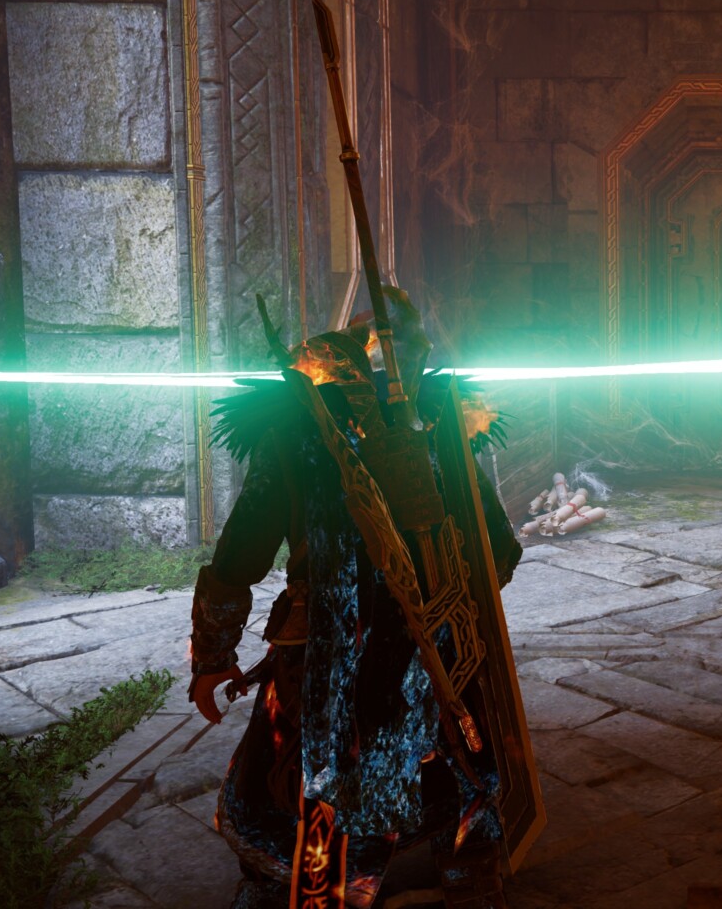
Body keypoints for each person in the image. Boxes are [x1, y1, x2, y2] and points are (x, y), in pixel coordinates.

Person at [188, 289, 525, 909]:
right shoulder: (415, 428)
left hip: (411, 651)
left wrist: (213, 657)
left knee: (426, 762)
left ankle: (449, 867)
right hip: (356, 652)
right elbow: (498, 553)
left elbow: (494, 549)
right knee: (365, 768)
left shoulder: (431, 432)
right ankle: (421, 870)